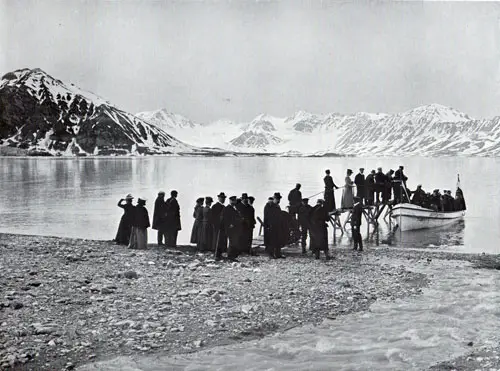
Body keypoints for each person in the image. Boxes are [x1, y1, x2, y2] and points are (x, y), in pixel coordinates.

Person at [222, 196, 243, 261]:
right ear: (230, 201)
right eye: (233, 200)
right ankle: (230, 256)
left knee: (234, 241)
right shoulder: (227, 208)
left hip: (235, 228)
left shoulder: (234, 208)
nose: (234, 202)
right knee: (232, 242)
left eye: (235, 200)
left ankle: (233, 256)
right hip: (231, 228)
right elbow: (225, 218)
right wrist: (230, 224)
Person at [266, 192, 286, 259]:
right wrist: (268, 225)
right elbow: (267, 216)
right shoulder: (269, 205)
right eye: (277, 199)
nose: (278, 200)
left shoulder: (277, 206)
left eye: (279, 199)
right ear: (274, 198)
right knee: (271, 240)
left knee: (278, 240)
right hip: (271, 226)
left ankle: (278, 254)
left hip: (278, 226)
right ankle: (271, 254)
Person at [212, 192, 227, 261]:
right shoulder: (215, 206)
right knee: (217, 239)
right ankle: (216, 254)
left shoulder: (224, 207)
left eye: (223, 198)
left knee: (221, 240)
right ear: (218, 198)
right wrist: (216, 224)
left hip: (223, 226)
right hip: (217, 226)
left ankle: (220, 253)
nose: (223, 199)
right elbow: (213, 217)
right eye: (221, 198)